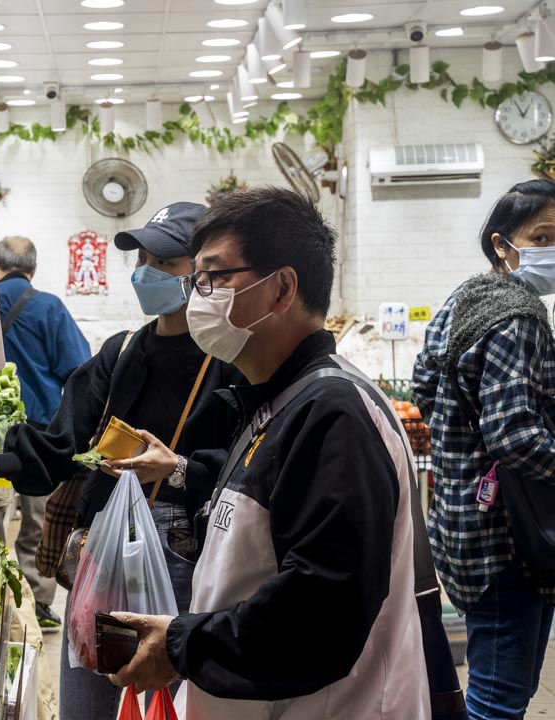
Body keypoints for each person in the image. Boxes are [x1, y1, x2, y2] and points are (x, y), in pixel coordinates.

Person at [109, 187, 430, 718]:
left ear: (281, 287)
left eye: (213, 277)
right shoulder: (278, 398)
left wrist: (181, 644)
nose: (197, 297)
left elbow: (321, 604)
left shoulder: (334, 412)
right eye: (196, 280)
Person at [0, 204, 241, 720]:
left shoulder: (229, 360)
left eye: (166, 262)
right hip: (103, 546)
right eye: (144, 259)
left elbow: (245, 465)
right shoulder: (123, 350)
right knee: (89, 685)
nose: (147, 272)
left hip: (184, 555)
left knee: (168, 696)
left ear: (202, 274)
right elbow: (66, 440)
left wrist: (178, 467)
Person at [414, 179, 555, 719]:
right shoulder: (517, 316)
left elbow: (425, 384)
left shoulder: (464, 298)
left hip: (460, 524)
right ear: (502, 244)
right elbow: (516, 436)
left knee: (492, 685)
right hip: (509, 539)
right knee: (498, 699)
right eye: (541, 236)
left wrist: (459, 448)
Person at [0, 235, 91, 631]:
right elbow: (80, 371)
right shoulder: (49, 307)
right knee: (37, 520)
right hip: (38, 436)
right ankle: (39, 602)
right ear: (32, 268)